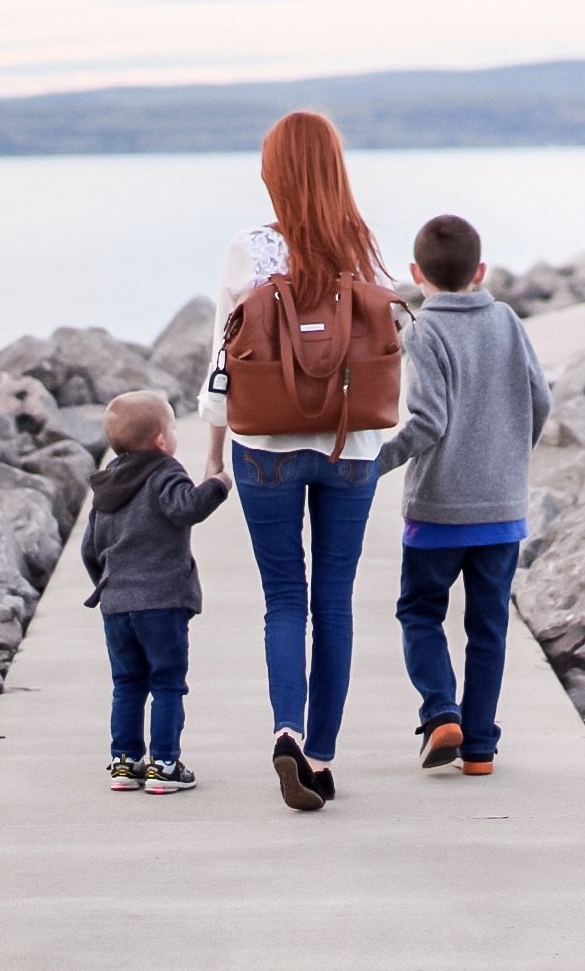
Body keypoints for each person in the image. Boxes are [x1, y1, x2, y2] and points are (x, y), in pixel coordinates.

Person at [199, 110, 396, 812]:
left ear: (274, 172)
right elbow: (389, 349)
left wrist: (215, 454)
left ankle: (286, 726)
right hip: (350, 446)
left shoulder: (248, 249)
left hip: (266, 447)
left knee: (283, 597)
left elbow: (223, 360)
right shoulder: (364, 248)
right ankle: (319, 755)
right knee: (333, 601)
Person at [377, 215, 551, 776]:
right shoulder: (506, 319)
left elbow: (427, 422)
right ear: (480, 271)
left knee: (420, 611)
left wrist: (375, 461)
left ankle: (440, 710)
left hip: (438, 509)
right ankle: (478, 748)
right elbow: (541, 398)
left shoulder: (423, 331)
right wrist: (508, 460)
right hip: (501, 510)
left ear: (415, 274)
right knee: (488, 625)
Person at [80, 390, 229, 794]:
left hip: (116, 606)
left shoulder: (108, 484)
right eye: (173, 426)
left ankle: (125, 763)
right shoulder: (165, 471)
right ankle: (163, 765)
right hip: (161, 603)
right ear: (162, 440)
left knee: (127, 683)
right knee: (166, 684)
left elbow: (89, 549)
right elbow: (186, 509)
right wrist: (216, 485)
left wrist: (108, 584)